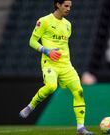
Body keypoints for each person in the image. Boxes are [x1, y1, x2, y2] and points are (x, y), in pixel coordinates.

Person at [19, 0, 94, 134]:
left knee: (79, 92)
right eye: (66, 6)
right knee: (51, 86)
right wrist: (46, 51)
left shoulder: (67, 25)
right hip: (50, 64)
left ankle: (81, 128)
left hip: (66, 65)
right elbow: (32, 41)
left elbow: (64, 46)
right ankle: (31, 106)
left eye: (70, 6)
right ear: (58, 5)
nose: (68, 9)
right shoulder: (44, 21)